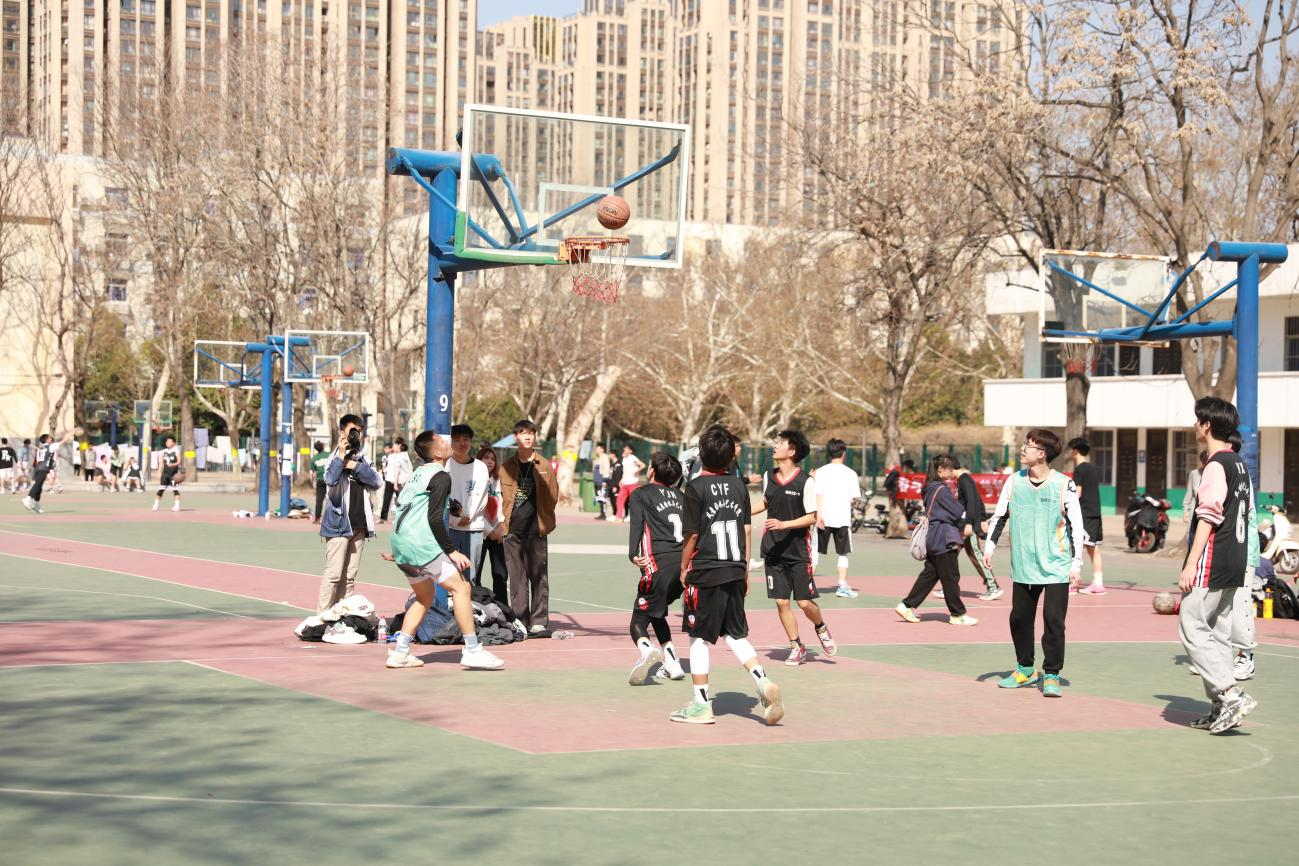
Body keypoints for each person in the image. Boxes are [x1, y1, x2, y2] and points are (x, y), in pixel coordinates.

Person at [669, 425, 782, 726]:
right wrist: (744, 569)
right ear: (731, 456)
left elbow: (692, 535)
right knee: (734, 633)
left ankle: (701, 704)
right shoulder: (739, 487)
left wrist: (683, 567)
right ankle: (762, 681)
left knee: (698, 637)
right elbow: (747, 530)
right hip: (734, 568)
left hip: (706, 569)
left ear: (701, 454)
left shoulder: (695, 488)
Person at [382, 430, 505, 671]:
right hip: (421, 544)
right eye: (441, 441)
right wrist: (452, 551)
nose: (447, 442)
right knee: (462, 588)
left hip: (403, 543)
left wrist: (400, 547)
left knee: (424, 597)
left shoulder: (418, 474)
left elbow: (408, 508)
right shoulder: (440, 476)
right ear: (437, 452)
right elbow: (435, 519)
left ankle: (400, 652)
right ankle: (472, 651)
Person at [984, 430, 1085, 698]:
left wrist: (1076, 564)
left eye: (1027, 445)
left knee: (1053, 620)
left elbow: (1076, 526)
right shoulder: (1014, 481)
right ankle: (1025, 669)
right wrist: (989, 546)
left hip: (1056, 566)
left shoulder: (1064, 484)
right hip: (1024, 564)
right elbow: (1000, 515)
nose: (1022, 449)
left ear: (1041, 454)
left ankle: (1051, 674)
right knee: (1019, 619)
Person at [1177, 398, 1256, 733]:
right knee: (1219, 634)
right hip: (1235, 560)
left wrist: (1190, 563)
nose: (1195, 425)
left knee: (1191, 625)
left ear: (1207, 425)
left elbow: (1208, 516)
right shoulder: (1239, 463)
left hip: (1213, 559)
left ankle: (1230, 694)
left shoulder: (1215, 466)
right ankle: (1220, 707)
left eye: (1198, 420)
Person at [752, 430, 837, 666]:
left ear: (792, 451)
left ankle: (821, 628)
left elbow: (812, 517)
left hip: (798, 551)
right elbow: (766, 502)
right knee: (781, 602)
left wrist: (784, 524)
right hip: (773, 550)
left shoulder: (805, 482)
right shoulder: (769, 476)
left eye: (781, 443)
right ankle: (796, 646)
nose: (775, 446)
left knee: (804, 602)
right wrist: (742, 512)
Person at [625, 452, 689, 685]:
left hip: (658, 565)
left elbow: (636, 526)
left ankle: (646, 650)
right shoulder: (682, 496)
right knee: (656, 611)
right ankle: (672, 662)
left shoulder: (641, 494)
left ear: (652, 471)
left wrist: (633, 554)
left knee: (638, 622)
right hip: (683, 568)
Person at [896, 455, 980, 627]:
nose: (953, 471)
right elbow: (957, 511)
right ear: (940, 469)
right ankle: (958, 614)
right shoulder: (942, 490)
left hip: (933, 537)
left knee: (930, 574)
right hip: (944, 538)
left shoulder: (929, 488)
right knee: (951, 577)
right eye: (950, 468)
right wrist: (972, 519)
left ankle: (906, 605)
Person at [316, 414, 383, 613]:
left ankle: (342, 615)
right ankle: (322, 617)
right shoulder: (333, 458)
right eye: (353, 431)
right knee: (334, 575)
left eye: (359, 432)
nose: (356, 435)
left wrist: (356, 466)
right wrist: (341, 455)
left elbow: (377, 482)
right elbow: (330, 480)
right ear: (342, 432)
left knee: (349, 577)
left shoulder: (364, 459)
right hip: (338, 524)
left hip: (359, 525)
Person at [499, 419, 559, 636]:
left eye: (531, 433)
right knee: (517, 579)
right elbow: (502, 497)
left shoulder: (545, 465)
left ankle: (539, 621)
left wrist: (545, 521)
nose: (527, 436)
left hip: (536, 530)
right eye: (523, 433)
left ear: (535, 437)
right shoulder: (506, 467)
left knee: (539, 577)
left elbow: (553, 495)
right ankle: (520, 619)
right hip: (512, 530)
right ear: (515, 437)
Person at [814, 438, 862, 599]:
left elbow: (817, 495)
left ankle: (805, 585)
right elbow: (853, 499)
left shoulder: (820, 472)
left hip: (823, 518)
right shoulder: (851, 474)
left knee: (814, 553)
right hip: (842, 519)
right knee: (843, 553)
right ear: (844, 453)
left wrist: (818, 514)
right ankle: (842, 585)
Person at [446, 423, 490, 586]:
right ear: (450, 442)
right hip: (449, 528)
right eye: (457, 439)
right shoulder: (444, 465)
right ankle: (448, 603)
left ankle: (467, 602)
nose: (462, 443)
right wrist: (455, 520)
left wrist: (468, 516)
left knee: (469, 577)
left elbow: (481, 496)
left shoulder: (480, 467)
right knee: (447, 575)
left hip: (473, 528)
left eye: (466, 439)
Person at [952, 460, 1003, 601]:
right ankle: (949, 587)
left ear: (951, 468)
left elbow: (973, 502)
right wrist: (982, 518)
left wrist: (972, 522)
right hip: (964, 525)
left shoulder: (965, 480)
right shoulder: (963, 480)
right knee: (950, 555)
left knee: (976, 555)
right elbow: (977, 500)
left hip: (968, 526)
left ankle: (993, 587)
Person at [1067, 437, 1105, 595]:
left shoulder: (1080, 469)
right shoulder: (1093, 468)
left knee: (1076, 548)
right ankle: (1098, 583)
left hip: (1085, 515)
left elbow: (1078, 493)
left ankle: (1073, 584)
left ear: (1075, 451)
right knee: (1093, 550)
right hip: (1095, 514)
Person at [475, 445, 509, 601]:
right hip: (480, 533)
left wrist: (501, 526)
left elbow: (504, 505)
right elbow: (474, 510)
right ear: (478, 460)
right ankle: (477, 605)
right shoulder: (474, 480)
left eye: (492, 459)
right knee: (475, 573)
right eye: (485, 458)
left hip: (498, 534)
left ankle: (503, 607)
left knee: (501, 573)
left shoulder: (498, 481)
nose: (489, 461)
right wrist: (489, 531)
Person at [22, 431, 73, 514]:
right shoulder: (51, 446)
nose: (51, 439)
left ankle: (37, 504)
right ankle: (28, 498)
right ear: (46, 440)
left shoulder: (40, 449)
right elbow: (62, 441)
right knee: (38, 484)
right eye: (49, 438)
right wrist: (70, 434)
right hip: (43, 468)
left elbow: (39, 460)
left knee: (39, 486)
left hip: (38, 468)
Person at [152, 436, 183, 512]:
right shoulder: (163, 451)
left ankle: (177, 506)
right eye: (167, 441)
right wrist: (159, 472)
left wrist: (173, 464)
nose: (167, 443)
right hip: (165, 474)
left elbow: (179, 462)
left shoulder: (176, 450)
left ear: (174, 443)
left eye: (169, 441)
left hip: (173, 474)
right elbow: (161, 463)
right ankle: (156, 504)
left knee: (175, 490)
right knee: (161, 490)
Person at [615, 444, 644, 521]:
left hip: (633, 483)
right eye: (625, 448)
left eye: (627, 448)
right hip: (625, 483)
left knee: (633, 501)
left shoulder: (633, 458)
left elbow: (643, 465)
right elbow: (625, 471)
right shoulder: (624, 459)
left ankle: (633, 516)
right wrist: (621, 480)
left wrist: (637, 471)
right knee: (619, 499)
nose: (624, 449)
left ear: (630, 451)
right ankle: (619, 517)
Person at [309, 441, 330, 523]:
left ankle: (317, 519)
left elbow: (314, 473)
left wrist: (314, 483)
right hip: (329, 480)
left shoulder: (314, 458)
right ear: (323, 446)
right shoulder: (329, 455)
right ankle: (330, 519)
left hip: (320, 481)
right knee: (330, 500)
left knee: (319, 501)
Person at [377, 442, 396, 523]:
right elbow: (385, 468)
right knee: (386, 499)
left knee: (399, 500)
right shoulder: (386, 457)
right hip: (388, 480)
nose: (385, 450)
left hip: (396, 481)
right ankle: (383, 518)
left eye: (387, 448)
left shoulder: (397, 456)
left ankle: (398, 518)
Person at [592, 443, 612, 520]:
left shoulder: (605, 458)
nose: (596, 450)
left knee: (602, 498)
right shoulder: (597, 458)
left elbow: (606, 469)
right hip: (597, 481)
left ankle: (603, 514)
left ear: (602, 449)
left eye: (598, 448)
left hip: (601, 481)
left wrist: (604, 481)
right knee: (599, 497)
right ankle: (601, 513)